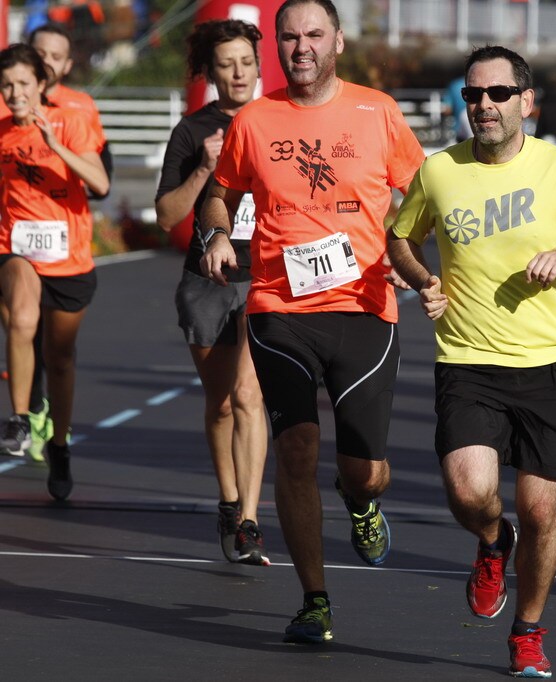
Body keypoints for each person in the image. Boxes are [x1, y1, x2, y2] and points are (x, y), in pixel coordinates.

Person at [387, 45, 556, 679]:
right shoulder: (440, 170)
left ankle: (527, 629)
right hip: (468, 358)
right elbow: (400, 236)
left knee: (541, 512)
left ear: (526, 103)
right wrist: (422, 279)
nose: (484, 106)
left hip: (548, 362)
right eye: (474, 95)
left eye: (498, 94)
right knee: (471, 492)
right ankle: (489, 542)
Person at [199, 0, 424, 643]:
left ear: (338, 42)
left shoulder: (376, 110)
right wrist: (216, 236)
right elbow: (222, 191)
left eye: (314, 35)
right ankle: (314, 600)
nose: (301, 47)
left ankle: (361, 501)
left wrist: (430, 271)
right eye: (290, 36)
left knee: (364, 469)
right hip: (279, 309)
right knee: (296, 449)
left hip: (363, 308)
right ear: (278, 44)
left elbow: (426, 195)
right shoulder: (255, 118)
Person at [155, 19, 270, 566]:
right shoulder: (190, 131)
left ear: (259, 64)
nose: (239, 72)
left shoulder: (278, 121)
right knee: (221, 403)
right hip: (208, 282)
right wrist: (205, 164)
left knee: (250, 396)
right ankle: (228, 502)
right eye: (227, 63)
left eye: (246, 61)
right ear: (211, 72)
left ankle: (250, 519)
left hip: (267, 279)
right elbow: (166, 217)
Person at [0, 43, 110, 500]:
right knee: (23, 317)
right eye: (6, 85)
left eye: (23, 83)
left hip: (69, 260)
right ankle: (21, 418)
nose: (14, 92)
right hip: (14, 249)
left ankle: (60, 445)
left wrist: (55, 145)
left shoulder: (73, 120)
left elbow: (101, 184)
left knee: (61, 359)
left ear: (42, 85)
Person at [28, 23, 112, 196]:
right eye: (40, 53)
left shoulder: (82, 105)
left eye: (56, 57)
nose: (46, 61)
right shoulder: (6, 102)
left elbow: (100, 156)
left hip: (67, 203)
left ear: (68, 65)